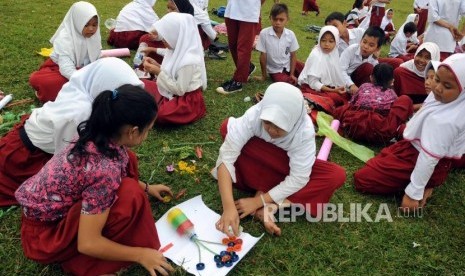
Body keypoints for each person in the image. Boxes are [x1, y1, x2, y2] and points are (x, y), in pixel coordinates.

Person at [15, 86, 175, 276]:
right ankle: (83, 265)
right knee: (130, 196)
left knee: (129, 167)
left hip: (42, 215)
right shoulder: (103, 171)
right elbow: (88, 243)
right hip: (44, 236)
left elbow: (118, 172)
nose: (148, 135)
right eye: (148, 130)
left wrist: (147, 188)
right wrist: (141, 255)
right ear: (133, 132)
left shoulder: (96, 134)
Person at [0, 58, 144, 207]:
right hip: (28, 158)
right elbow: (68, 166)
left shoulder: (88, 94)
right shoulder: (79, 114)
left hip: (59, 146)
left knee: (123, 157)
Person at [213, 82, 346, 236]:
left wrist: (258, 202)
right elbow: (227, 156)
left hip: (283, 169)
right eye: (268, 122)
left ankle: (271, 205)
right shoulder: (255, 115)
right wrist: (228, 207)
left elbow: (298, 177)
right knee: (227, 128)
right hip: (260, 163)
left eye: (280, 126)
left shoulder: (303, 131)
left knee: (335, 175)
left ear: (294, 121)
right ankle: (267, 194)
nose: (271, 130)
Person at [354, 54, 465, 211]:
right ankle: (430, 178)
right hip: (413, 147)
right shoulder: (441, 99)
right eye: (437, 80)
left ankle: (430, 181)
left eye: (447, 86)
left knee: (363, 180)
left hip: (425, 158)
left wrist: (413, 193)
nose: (438, 88)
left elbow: (429, 158)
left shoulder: (447, 121)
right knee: (382, 157)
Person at [29, 1, 101, 103]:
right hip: (60, 69)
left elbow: (95, 58)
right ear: (77, 22)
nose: (91, 29)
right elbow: (66, 69)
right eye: (86, 25)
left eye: (95, 25)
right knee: (45, 82)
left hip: (82, 70)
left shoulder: (94, 36)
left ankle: (76, 91)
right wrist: (85, 82)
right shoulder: (64, 38)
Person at [142, 12, 206, 126]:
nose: (163, 40)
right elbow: (171, 72)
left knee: (160, 115)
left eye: (166, 37)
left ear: (177, 36)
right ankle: (160, 101)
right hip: (171, 90)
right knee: (141, 84)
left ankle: (164, 105)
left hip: (185, 99)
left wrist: (158, 72)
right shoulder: (175, 49)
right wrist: (157, 66)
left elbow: (180, 89)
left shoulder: (188, 60)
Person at [334, 63, 413, 145]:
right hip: (376, 131)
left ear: (371, 77)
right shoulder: (392, 94)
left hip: (353, 125)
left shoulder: (364, 86)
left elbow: (352, 103)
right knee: (405, 100)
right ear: (392, 81)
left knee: (345, 107)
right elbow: (392, 113)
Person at [216, 0, 261, 94]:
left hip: (249, 12)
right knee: (233, 45)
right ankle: (247, 68)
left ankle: (238, 81)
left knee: (243, 48)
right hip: (231, 10)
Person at [299, 26, 348, 111]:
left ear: (336, 42)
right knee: (335, 99)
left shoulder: (334, 53)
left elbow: (336, 75)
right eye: (323, 40)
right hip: (312, 87)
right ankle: (312, 101)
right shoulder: (316, 55)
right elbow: (313, 83)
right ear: (319, 41)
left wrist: (338, 88)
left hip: (327, 87)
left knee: (345, 96)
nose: (327, 44)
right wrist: (333, 90)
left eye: (331, 41)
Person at [254, 3, 303, 85]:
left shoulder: (290, 34)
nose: (278, 22)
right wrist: (264, 76)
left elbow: (293, 55)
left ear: (287, 19)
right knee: (288, 83)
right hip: (275, 70)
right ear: (270, 18)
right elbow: (263, 56)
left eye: (281, 20)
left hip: (289, 64)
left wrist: (292, 74)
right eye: (275, 19)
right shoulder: (264, 33)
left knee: (307, 71)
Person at [340, 26, 385, 94]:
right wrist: (351, 85)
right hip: (345, 82)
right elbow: (340, 70)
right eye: (364, 42)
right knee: (368, 67)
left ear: (377, 49)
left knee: (372, 69)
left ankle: (362, 94)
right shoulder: (351, 50)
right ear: (361, 40)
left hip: (360, 85)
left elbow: (376, 77)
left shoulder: (373, 59)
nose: (365, 46)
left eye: (371, 45)